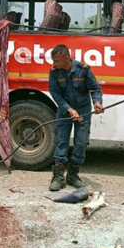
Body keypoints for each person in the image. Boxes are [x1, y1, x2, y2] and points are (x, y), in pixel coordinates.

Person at [47, 44, 104, 192]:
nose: (54, 64)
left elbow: (95, 88)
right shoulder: (54, 72)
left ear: (67, 58)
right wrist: (70, 110)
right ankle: (58, 178)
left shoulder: (83, 69)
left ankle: (72, 175)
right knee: (61, 143)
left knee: (81, 143)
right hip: (65, 111)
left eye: (57, 61)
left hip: (83, 111)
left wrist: (97, 102)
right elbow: (55, 94)